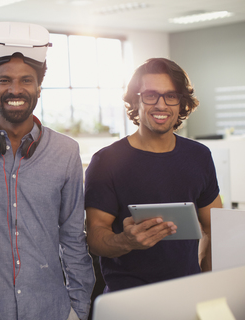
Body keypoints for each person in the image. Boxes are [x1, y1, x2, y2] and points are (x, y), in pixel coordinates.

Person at [0, 22, 95, 320]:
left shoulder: (66, 151)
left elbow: (73, 237)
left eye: (26, 80)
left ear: (39, 87)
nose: (15, 90)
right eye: (5, 81)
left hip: (50, 309)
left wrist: (78, 310)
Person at [84, 57, 222, 293]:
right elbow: (95, 237)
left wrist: (207, 279)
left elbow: (216, 227)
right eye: (150, 95)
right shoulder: (105, 161)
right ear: (134, 101)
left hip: (187, 293)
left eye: (171, 96)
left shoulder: (199, 156)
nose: (161, 105)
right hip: (128, 298)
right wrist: (125, 241)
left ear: (181, 103)